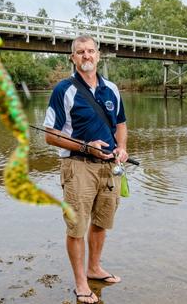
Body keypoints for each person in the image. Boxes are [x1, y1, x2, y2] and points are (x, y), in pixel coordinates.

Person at [43, 35, 128, 304]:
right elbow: (49, 134)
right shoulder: (63, 90)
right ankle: (81, 283)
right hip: (77, 166)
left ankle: (94, 268)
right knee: (77, 226)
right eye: (80, 52)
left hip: (109, 168)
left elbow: (121, 124)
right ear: (73, 58)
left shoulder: (111, 88)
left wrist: (122, 148)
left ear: (98, 55)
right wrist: (85, 146)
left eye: (90, 51)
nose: (86, 56)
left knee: (102, 222)